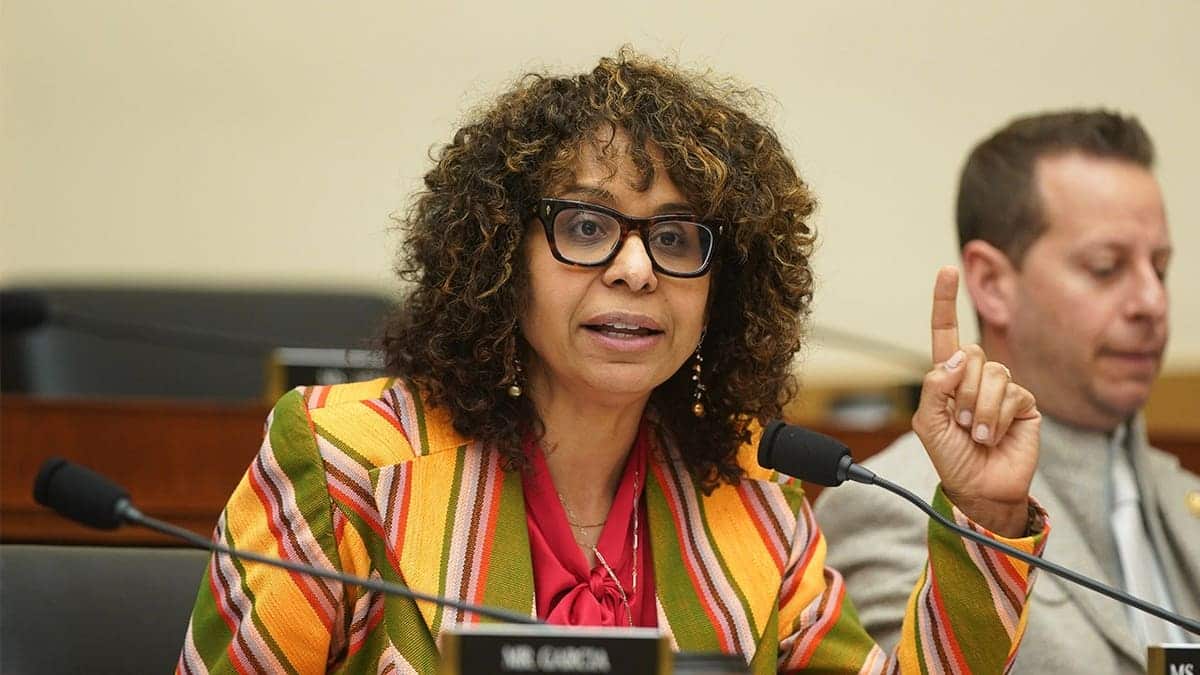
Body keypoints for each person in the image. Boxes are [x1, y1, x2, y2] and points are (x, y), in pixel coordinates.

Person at [178, 50, 1050, 674]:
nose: (636, 268)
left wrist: (982, 507)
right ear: (498, 256)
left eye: (675, 237)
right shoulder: (347, 462)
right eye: (588, 226)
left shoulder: (753, 494)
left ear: (723, 284)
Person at [814, 110, 1199, 674]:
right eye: (1106, 267)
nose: (1152, 302)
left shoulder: (1184, 498)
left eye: (1159, 269)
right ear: (993, 284)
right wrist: (990, 518)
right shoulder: (898, 506)